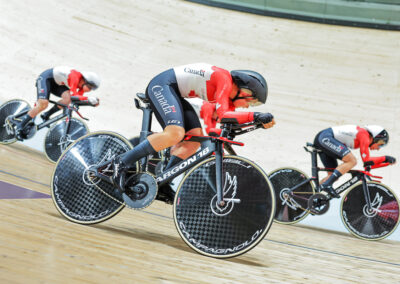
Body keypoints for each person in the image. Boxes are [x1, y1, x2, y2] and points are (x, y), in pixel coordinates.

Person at [112, 63, 276, 194]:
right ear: (245, 90)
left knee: (193, 141)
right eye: (251, 102)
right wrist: (255, 115)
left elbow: (227, 122)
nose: (247, 106)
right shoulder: (224, 79)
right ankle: (121, 162)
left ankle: (162, 182)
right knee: (175, 133)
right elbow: (225, 115)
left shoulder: (229, 99)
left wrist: (258, 123)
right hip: (163, 85)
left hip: (175, 93)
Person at [14, 66, 100, 137]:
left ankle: (46, 115)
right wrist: (88, 99)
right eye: (89, 87)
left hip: (57, 84)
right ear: (85, 81)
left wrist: (91, 104)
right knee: (43, 104)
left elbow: (76, 99)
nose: (90, 90)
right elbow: (76, 96)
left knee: (68, 99)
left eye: (92, 89)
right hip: (46, 78)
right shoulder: (75, 76)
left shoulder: (81, 86)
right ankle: (20, 126)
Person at [313, 125, 396, 198]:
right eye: (381, 143)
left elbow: (368, 164)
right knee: (352, 161)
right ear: (375, 138)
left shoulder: (365, 136)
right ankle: (326, 185)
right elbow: (367, 160)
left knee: (332, 176)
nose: (379, 148)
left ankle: (312, 195)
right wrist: (385, 158)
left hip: (324, 138)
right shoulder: (364, 135)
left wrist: (386, 163)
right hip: (325, 137)